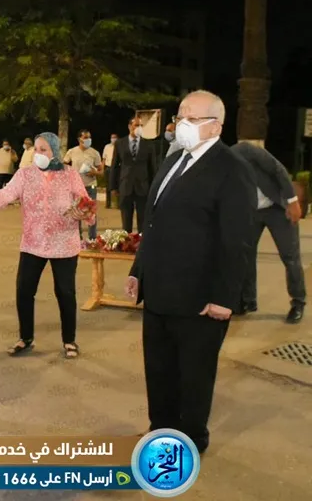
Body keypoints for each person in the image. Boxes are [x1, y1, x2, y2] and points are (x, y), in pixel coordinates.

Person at [125, 90, 256, 455]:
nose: (182, 124)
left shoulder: (232, 169)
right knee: (159, 371)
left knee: (193, 377)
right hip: (159, 292)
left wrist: (224, 297)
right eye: (180, 117)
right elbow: (153, 222)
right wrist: (138, 271)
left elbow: (237, 241)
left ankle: (190, 440)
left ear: (216, 126)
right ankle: (160, 432)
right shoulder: (173, 160)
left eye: (192, 118)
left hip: (200, 299)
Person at [0, 132, 95, 360]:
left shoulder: (69, 174)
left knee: (65, 292)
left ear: (54, 151)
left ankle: (69, 340)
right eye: (36, 149)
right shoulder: (25, 174)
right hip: (33, 243)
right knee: (24, 290)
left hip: (64, 243)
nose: (38, 154)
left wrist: (84, 213)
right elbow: (5, 195)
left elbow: (86, 203)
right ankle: (25, 338)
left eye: (43, 150)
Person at [231, 141, 305, 323]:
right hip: (251, 211)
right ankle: (247, 300)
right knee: (245, 254)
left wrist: (292, 201)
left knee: (290, 256)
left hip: (277, 207)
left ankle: (298, 302)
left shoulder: (246, 151)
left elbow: (278, 170)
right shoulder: (218, 166)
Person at [110, 116, 157, 233]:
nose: (139, 128)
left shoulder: (148, 144)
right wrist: (113, 186)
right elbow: (115, 166)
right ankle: (127, 240)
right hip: (125, 185)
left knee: (143, 220)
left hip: (143, 187)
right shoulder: (120, 143)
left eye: (141, 125)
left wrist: (153, 187)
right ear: (129, 126)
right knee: (126, 220)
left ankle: (141, 241)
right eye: (136, 125)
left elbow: (152, 167)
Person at [63, 129, 103, 240]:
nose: (88, 140)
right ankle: (78, 237)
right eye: (85, 137)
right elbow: (64, 165)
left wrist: (95, 172)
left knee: (92, 212)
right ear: (79, 139)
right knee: (77, 211)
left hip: (91, 185)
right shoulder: (72, 151)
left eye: (89, 137)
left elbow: (101, 171)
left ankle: (92, 238)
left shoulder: (94, 153)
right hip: (76, 186)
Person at [102, 133, 118, 209]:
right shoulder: (107, 147)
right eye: (112, 137)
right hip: (108, 168)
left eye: (114, 137)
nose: (113, 139)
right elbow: (104, 159)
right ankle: (108, 203)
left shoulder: (119, 146)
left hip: (116, 168)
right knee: (108, 186)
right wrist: (102, 169)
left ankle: (118, 204)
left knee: (117, 185)